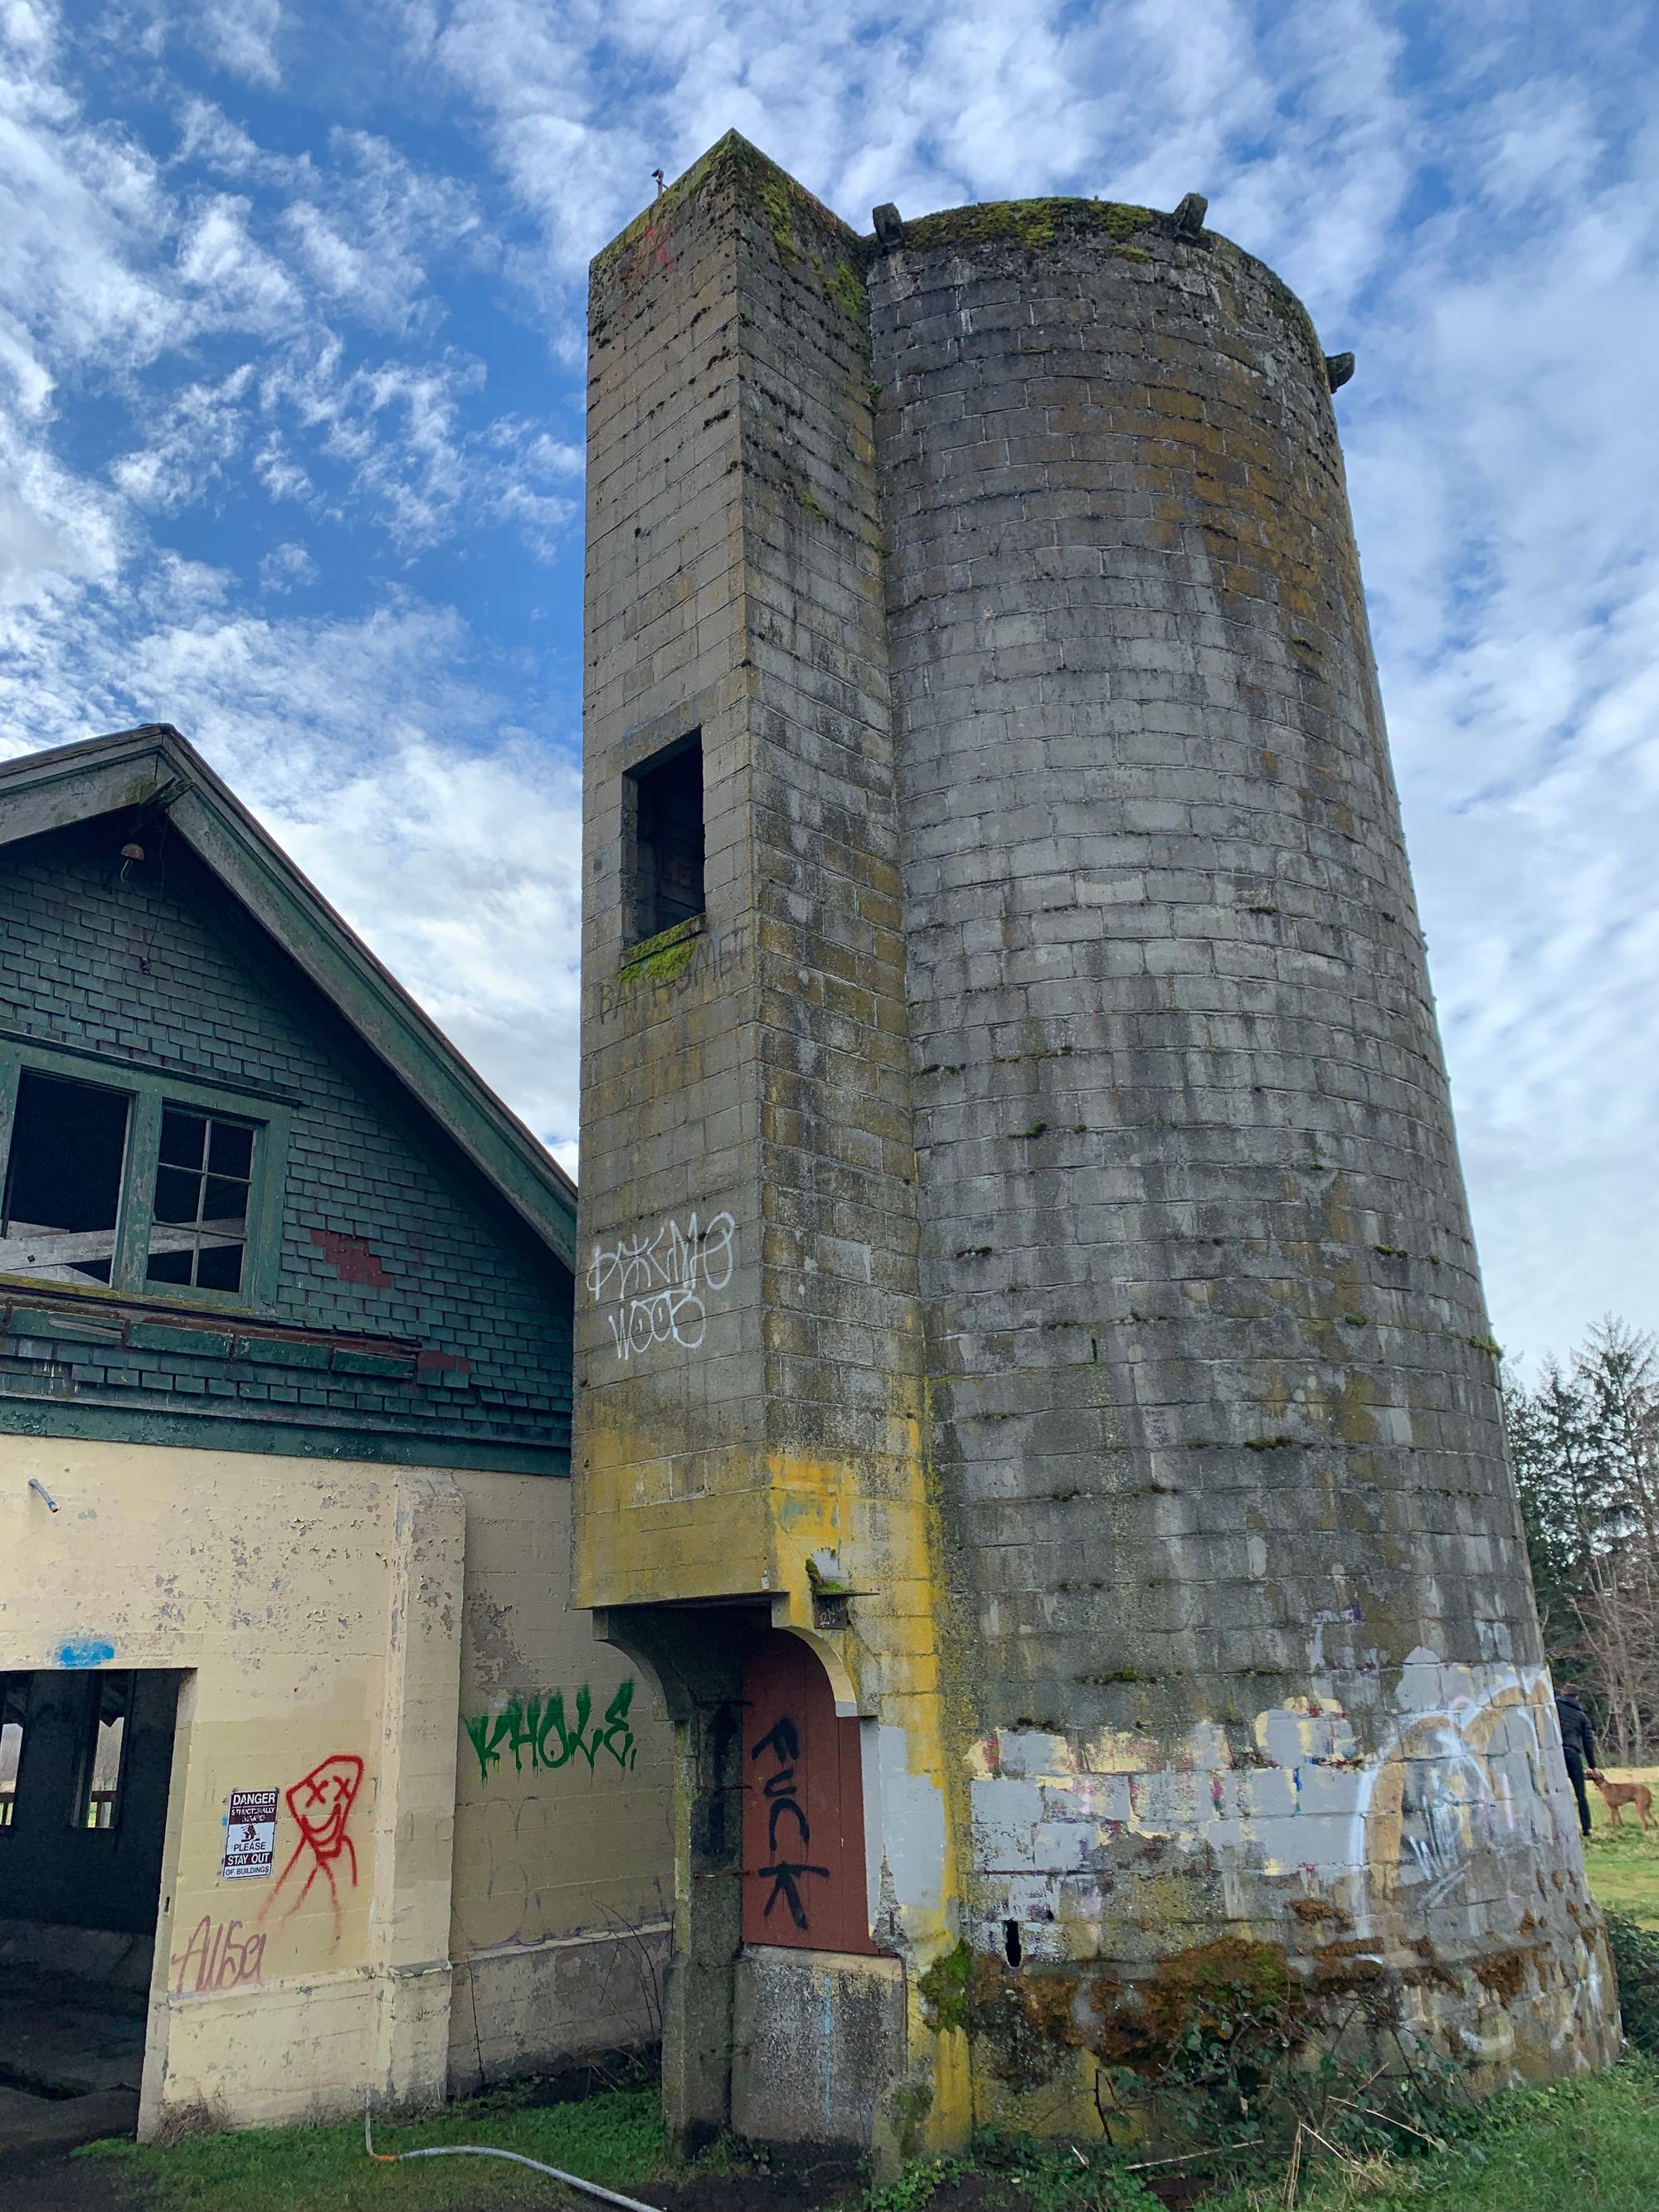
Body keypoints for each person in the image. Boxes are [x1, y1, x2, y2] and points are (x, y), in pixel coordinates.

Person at [1554, 1683, 1598, 1838]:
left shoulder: (1553, 1707)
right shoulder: (1582, 1716)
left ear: (1562, 1693)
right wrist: (1593, 1766)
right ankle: (1586, 1830)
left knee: (1555, 1792)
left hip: (1555, 1753)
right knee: (1580, 1794)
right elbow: (1588, 1743)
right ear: (1577, 1697)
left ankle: (1557, 1829)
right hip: (1573, 1753)